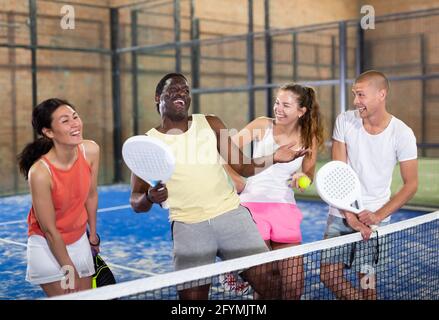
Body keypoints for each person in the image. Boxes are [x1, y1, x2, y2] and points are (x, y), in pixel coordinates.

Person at [129, 73, 308, 300]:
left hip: (230, 214)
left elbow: (243, 167)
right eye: (172, 90)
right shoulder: (148, 144)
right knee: (192, 301)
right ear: (157, 97)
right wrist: (149, 197)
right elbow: (135, 202)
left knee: (272, 284)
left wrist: (274, 157)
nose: (180, 94)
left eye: (185, 90)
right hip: (188, 225)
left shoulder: (210, 123)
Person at [319, 70, 418, 300]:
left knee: (367, 283)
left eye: (361, 95)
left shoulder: (402, 134)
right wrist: (350, 216)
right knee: (328, 274)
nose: (356, 101)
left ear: (381, 94)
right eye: (354, 94)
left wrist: (377, 216)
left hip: (375, 222)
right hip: (340, 214)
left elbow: (411, 184)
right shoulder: (344, 120)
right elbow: (338, 173)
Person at [225, 83, 325, 299]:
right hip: (251, 208)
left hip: (284, 209)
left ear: (301, 111)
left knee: (293, 288)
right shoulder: (262, 125)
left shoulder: (310, 138)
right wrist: (237, 181)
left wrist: (302, 178)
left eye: (286, 105)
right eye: (277, 103)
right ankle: (239, 270)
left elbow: (308, 175)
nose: (278, 108)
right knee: (266, 284)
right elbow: (222, 151)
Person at [18, 98, 100, 297]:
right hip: (47, 244)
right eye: (65, 121)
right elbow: (49, 229)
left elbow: (90, 194)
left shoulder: (90, 150)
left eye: (75, 117)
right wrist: (67, 267)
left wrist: (93, 235)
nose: (75, 124)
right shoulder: (39, 173)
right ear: (48, 132)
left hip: (79, 237)